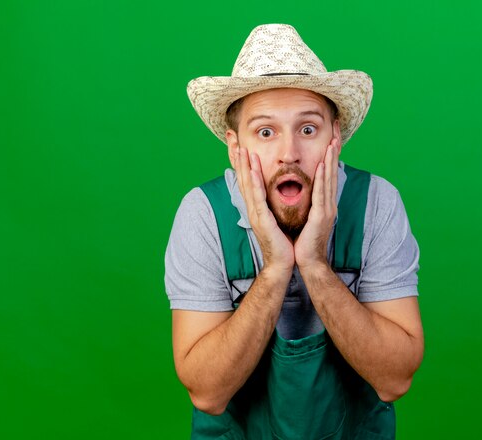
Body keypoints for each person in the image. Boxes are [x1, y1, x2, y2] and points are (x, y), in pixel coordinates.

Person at [164, 24, 424, 439]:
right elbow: (208, 394)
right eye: (265, 132)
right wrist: (275, 269)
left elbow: (395, 380)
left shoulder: (377, 202)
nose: (289, 154)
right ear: (235, 147)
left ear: (335, 136)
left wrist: (315, 265)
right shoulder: (203, 215)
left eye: (308, 129)